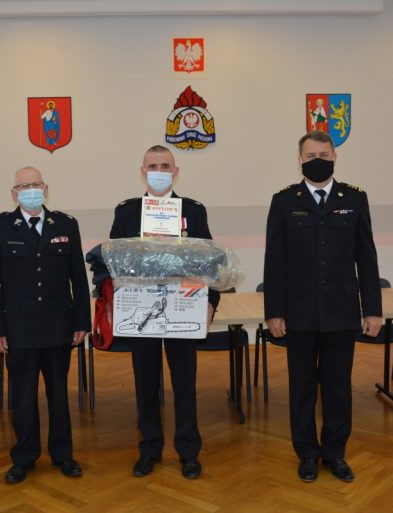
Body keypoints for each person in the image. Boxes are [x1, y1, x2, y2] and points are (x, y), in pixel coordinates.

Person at [263, 130, 383, 483]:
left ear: (334, 157)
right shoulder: (284, 200)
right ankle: (307, 454)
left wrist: (372, 309)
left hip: (341, 311)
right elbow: (274, 261)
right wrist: (274, 311)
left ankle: (335, 452)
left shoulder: (355, 199)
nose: (318, 161)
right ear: (300, 160)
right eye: (311, 155)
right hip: (298, 312)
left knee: (337, 386)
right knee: (301, 387)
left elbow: (366, 257)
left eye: (324, 155)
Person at [109, 144, 220, 480]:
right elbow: (112, 260)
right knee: (145, 384)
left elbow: (211, 260)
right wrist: (113, 300)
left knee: (184, 383)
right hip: (141, 310)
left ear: (176, 171)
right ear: (142, 171)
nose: (159, 171)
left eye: (165, 166)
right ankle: (149, 449)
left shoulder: (193, 211)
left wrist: (211, 302)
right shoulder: (127, 212)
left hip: (184, 308)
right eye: (153, 166)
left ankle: (188, 452)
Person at [0, 167, 90, 483]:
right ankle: (24, 457)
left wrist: (81, 321)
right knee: (23, 398)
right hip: (18, 328)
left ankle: (63, 454)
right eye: (24, 186)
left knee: (59, 395)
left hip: (59, 325)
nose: (31, 190)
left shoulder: (66, 225)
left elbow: (78, 278)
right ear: (14, 193)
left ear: (46, 188)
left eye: (36, 184)